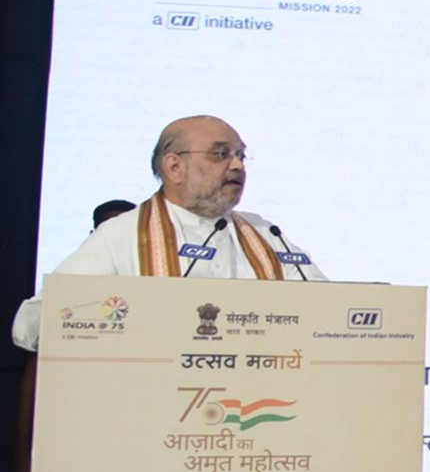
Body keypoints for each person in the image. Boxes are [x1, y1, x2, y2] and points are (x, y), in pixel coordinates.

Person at [13, 116, 326, 351]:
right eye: (221, 154)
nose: (237, 166)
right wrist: (116, 318)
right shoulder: (121, 236)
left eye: (241, 155)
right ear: (174, 167)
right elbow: (30, 327)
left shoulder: (265, 234)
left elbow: (328, 313)